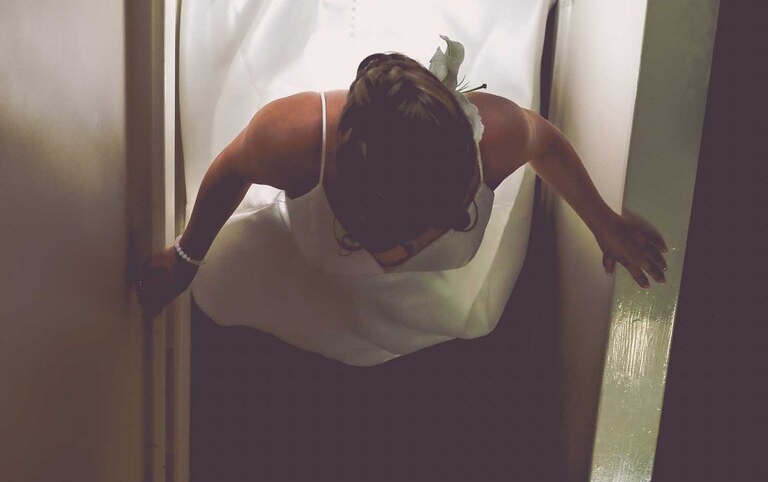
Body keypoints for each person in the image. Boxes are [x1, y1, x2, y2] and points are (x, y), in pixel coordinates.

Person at [135, 40, 668, 338]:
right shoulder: (289, 138)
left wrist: (606, 224)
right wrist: (186, 256)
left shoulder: (497, 135)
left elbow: (545, 142)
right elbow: (233, 166)